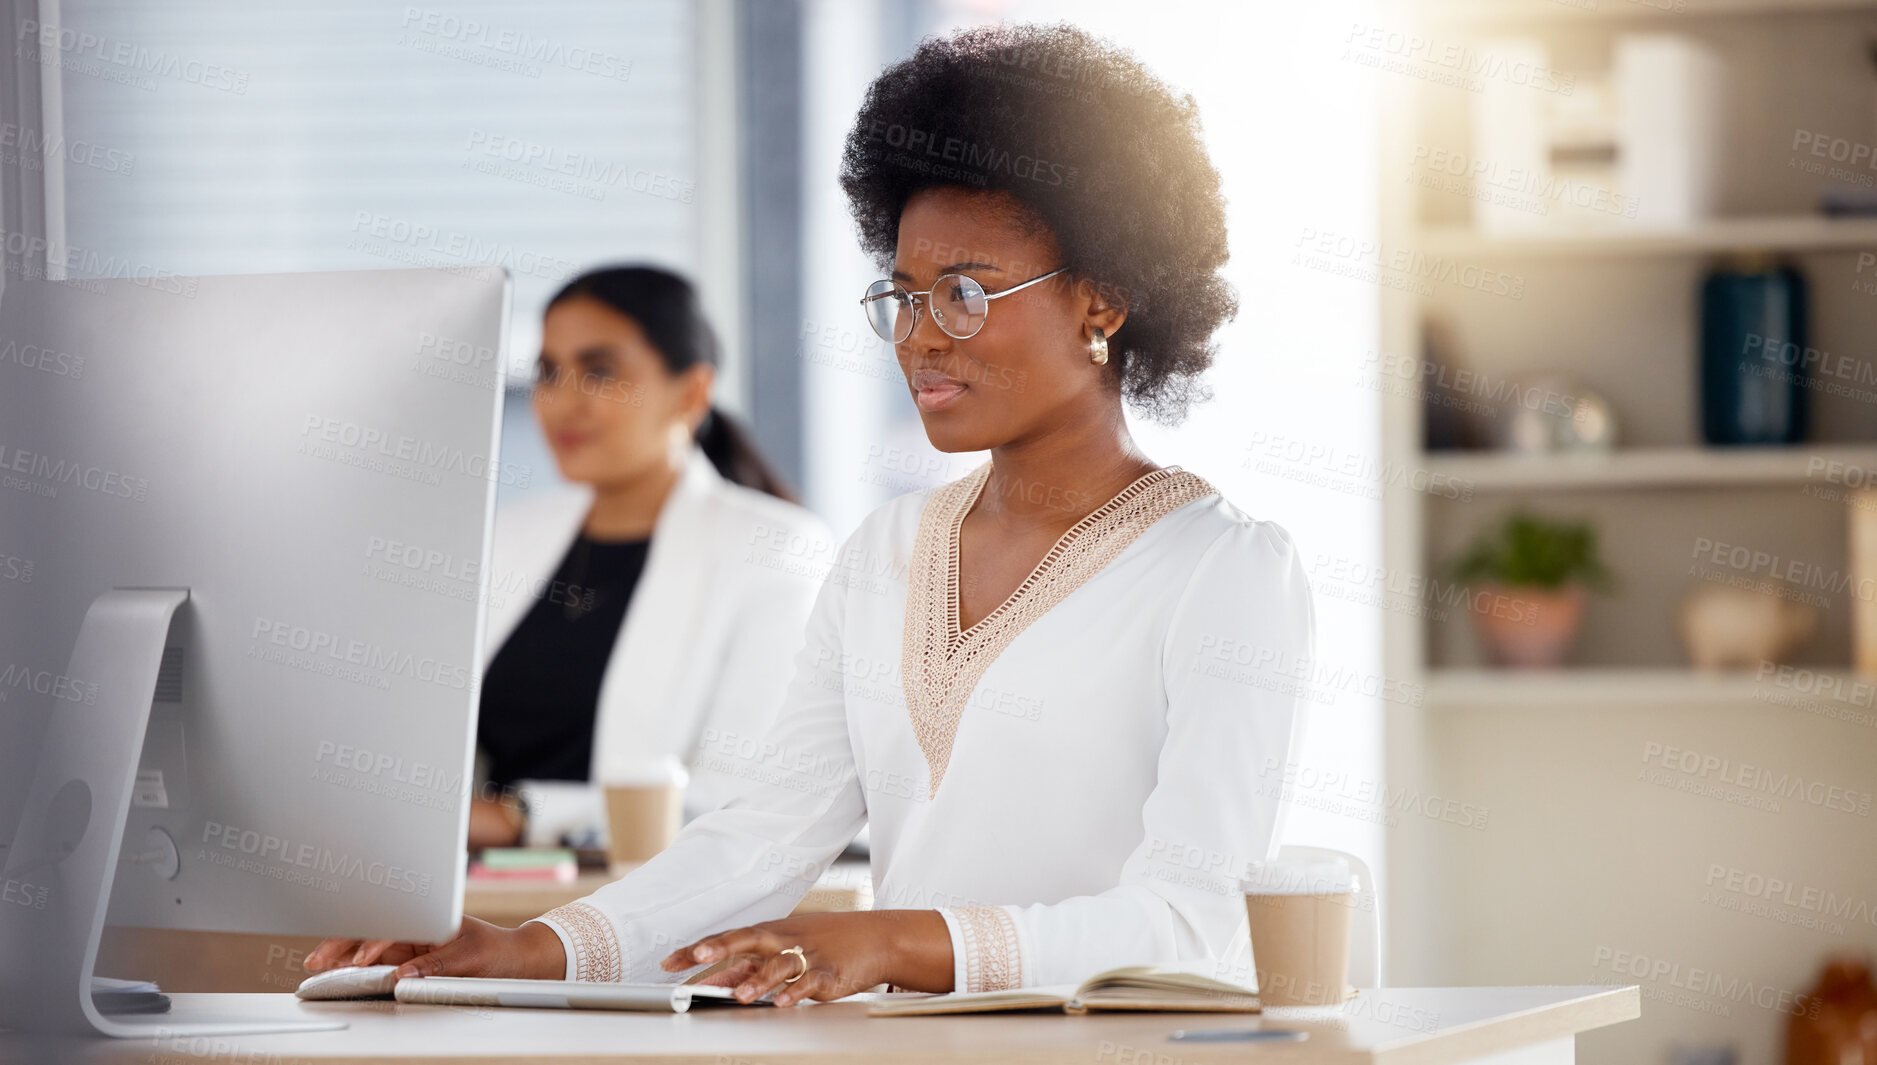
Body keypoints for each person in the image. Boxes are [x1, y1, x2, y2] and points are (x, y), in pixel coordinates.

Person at [308, 22, 1315, 1007]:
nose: (919, 339)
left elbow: (1196, 917)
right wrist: (540, 945)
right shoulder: (885, 552)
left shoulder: (1222, 572)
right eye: (903, 295)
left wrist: (892, 941)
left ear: (1102, 302)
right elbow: (760, 839)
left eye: (964, 292)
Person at [467, 265, 832, 849]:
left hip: (646, 909)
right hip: (482, 900)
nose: (562, 402)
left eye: (600, 372)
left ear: (691, 393)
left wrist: (521, 817)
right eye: (549, 372)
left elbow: (745, 797)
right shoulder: (510, 536)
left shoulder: (774, 549)